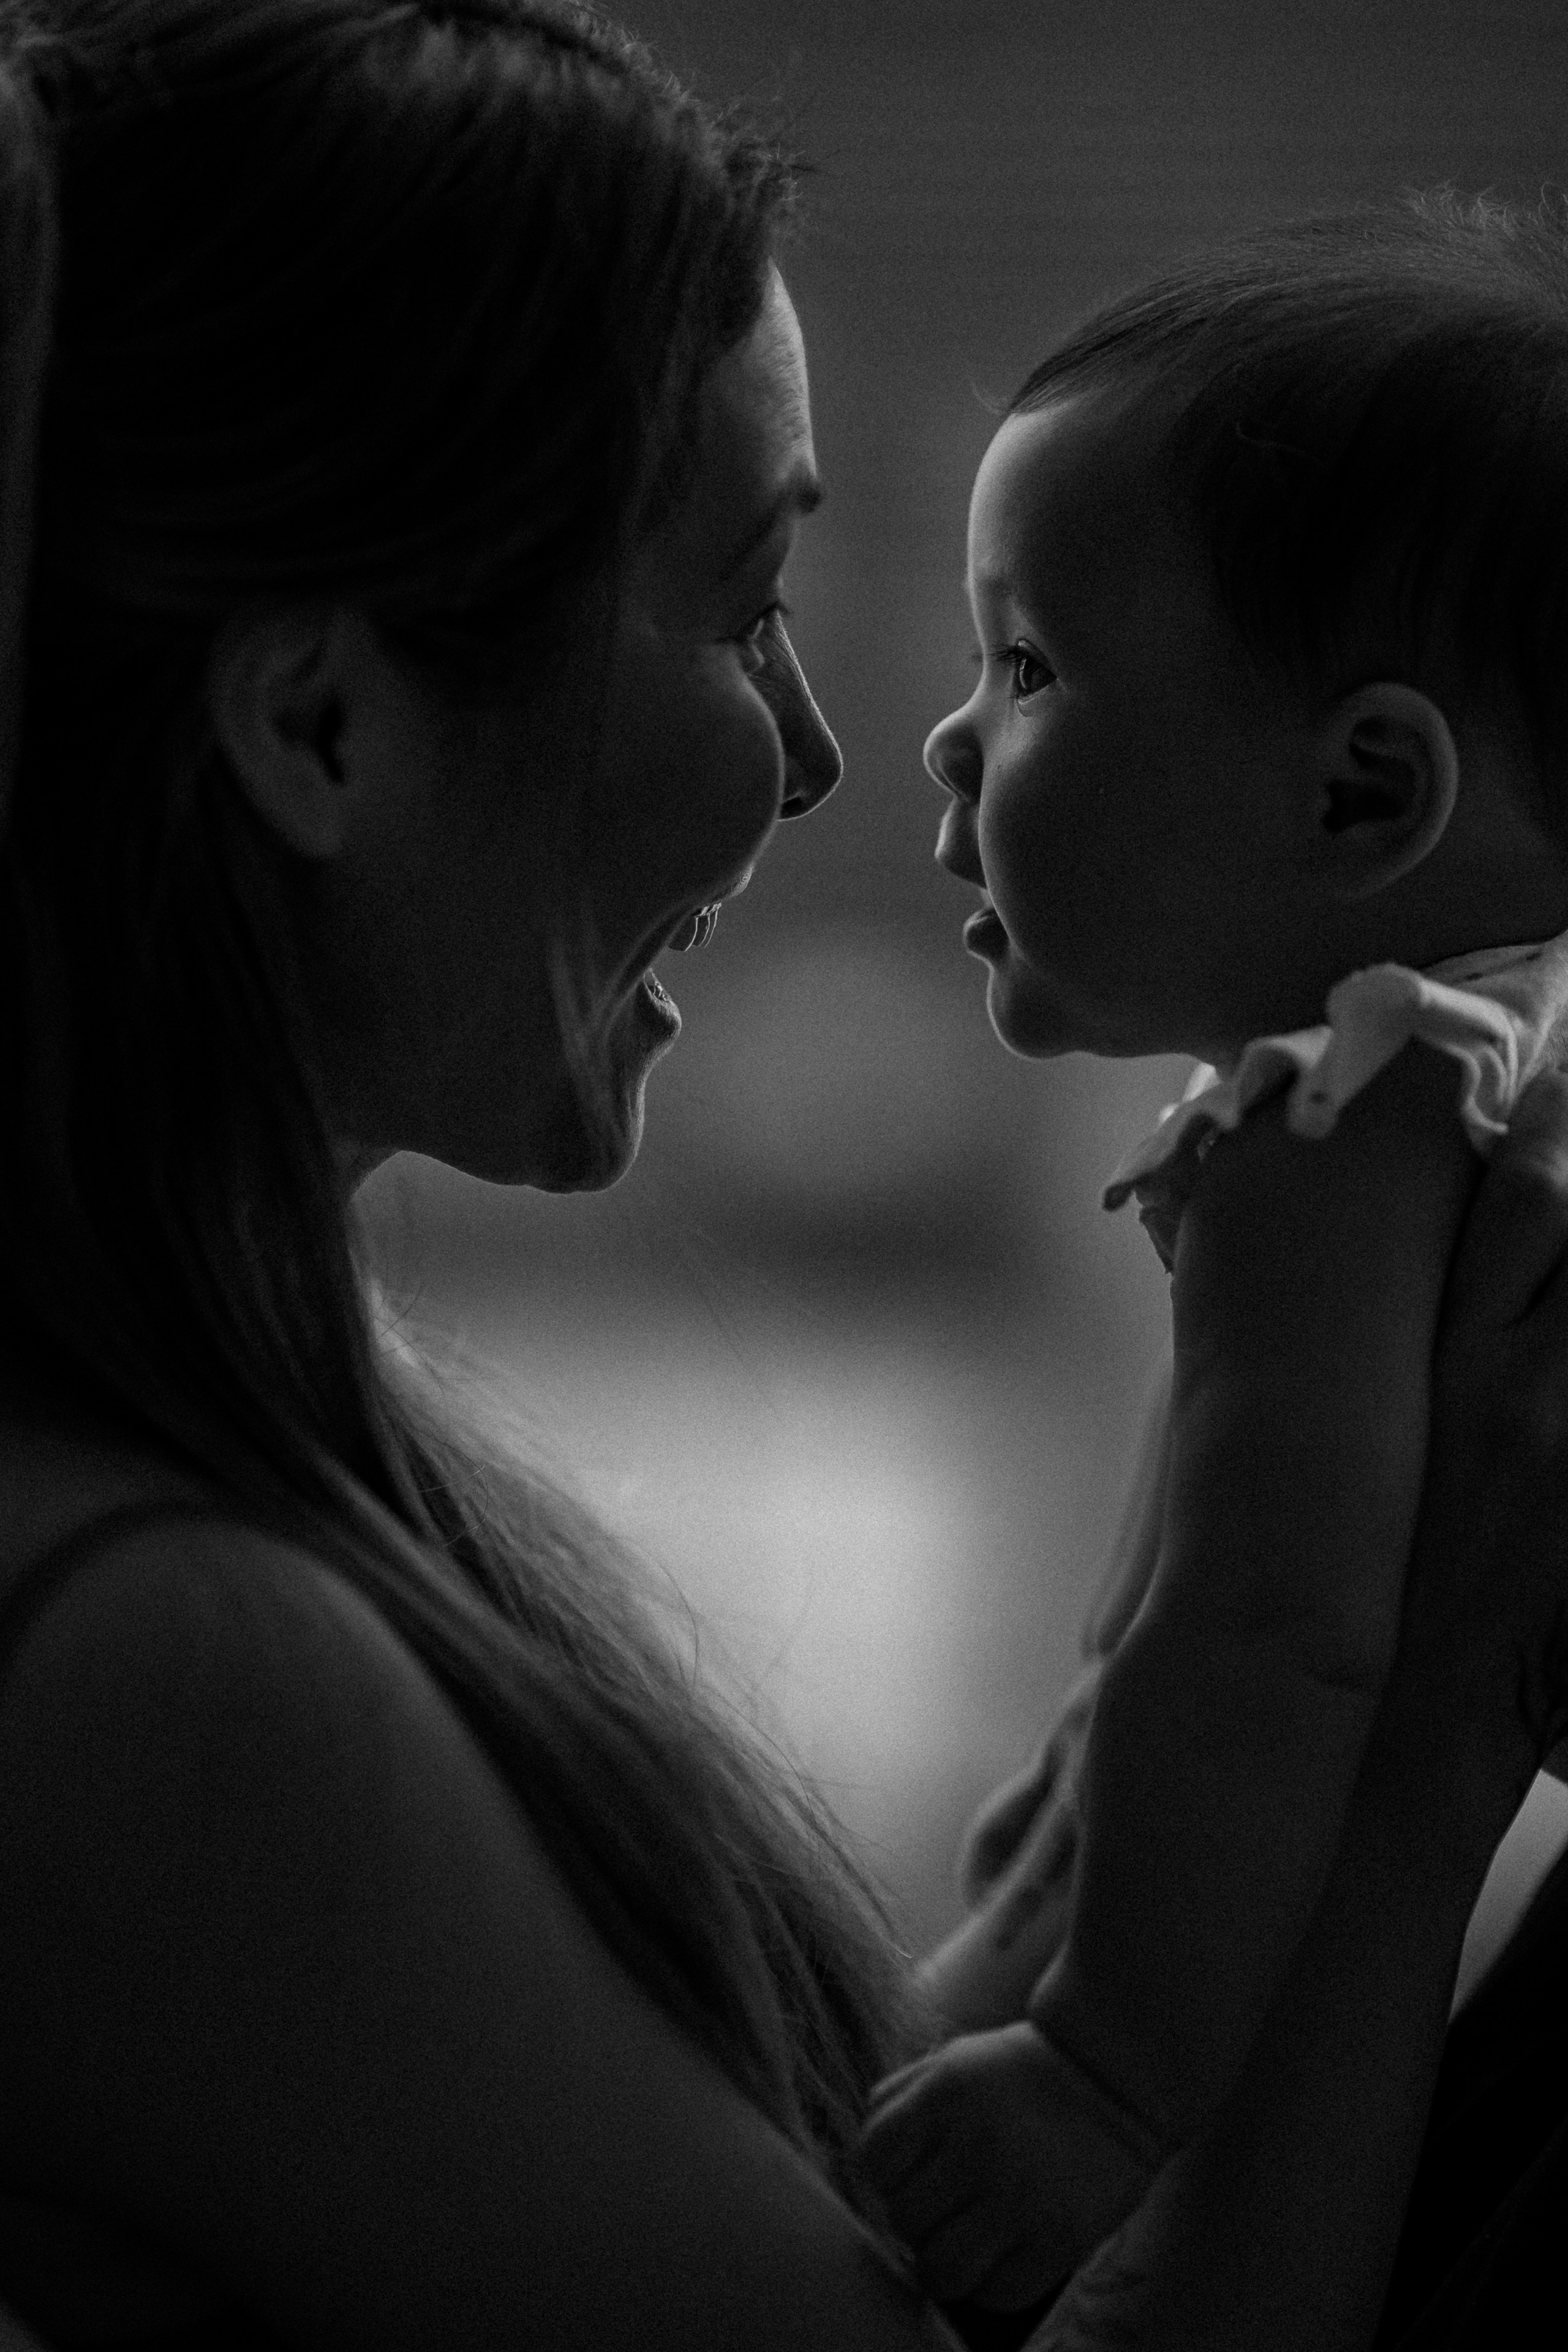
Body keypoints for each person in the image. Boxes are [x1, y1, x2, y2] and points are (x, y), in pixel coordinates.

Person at [0, 8, 1563, 2348]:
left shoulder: (271, 1514)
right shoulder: (160, 1678)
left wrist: (1113, 1821)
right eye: (745, 612)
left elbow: (830, 2199)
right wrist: (1428, 1737)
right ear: (320, 723)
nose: (833, 756)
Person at [859, 194, 1568, 2326]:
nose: (948, 740)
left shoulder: (1351, 1131)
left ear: (1362, 793)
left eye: (1028, 668)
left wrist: (1096, 2070)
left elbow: (1281, 1638)